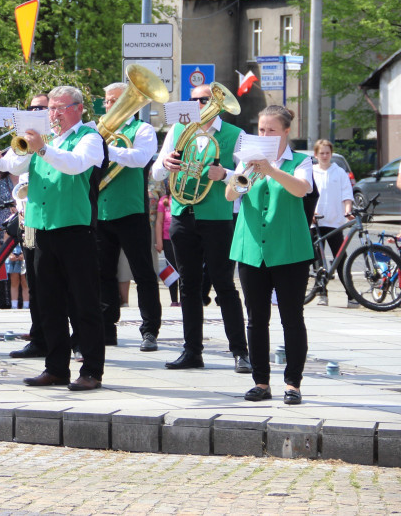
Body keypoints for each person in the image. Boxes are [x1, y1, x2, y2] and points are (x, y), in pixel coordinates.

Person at [0, 86, 106, 391]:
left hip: (74, 228)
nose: (53, 115)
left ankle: (92, 371)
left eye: (59, 108)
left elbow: (74, 165)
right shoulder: (47, 140)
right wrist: (21, 148)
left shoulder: (91, 138)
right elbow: (12, 166)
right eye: (50, 109)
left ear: (78, 109)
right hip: (40, 228)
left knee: (84, 303)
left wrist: (42, 147)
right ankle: (56, 367)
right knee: (49, 302)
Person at [150, 83, 250, 373]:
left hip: (218, 217)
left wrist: (226, 174)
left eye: (204, 100)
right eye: (193, 101)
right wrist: (165, 163)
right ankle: (192, 350)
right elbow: (156, 171)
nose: (198, 105)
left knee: (224, 284)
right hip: (183, 214)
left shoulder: (235, 134)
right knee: (188, 285)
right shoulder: (178, 130)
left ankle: (240, 352)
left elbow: (246, 180)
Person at [227, 106, 312, 405]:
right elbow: (230, 195)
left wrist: (272, 170)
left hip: (289, 251)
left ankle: (293, 383)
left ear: (286, 132)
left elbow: (301, 189)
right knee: (256, 318)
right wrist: (246, 171)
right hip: (252, 250)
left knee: (291, 317)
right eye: (261, 130)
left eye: (271, 130)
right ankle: (261, 382)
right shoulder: (247, 160)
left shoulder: (301, 161)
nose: (264, 135)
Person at [95, 82, 162, 351]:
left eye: (114, 100)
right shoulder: (97, 129)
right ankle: (107, 328)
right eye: (107, 101)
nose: (109, 106)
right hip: (100, 210)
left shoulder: (142, 129)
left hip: (131, 210)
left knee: (143, 272)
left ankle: (150, 330)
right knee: (103, 273)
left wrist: (106, 150)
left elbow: (141, 158)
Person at [0, 93, 50, 359]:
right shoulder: (26, 140)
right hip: (30, 216)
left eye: (42, 107)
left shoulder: (56, 139)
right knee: (36, 280)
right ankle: (39, 335)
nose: (36, 111)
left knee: (56, 283)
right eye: (32, 108)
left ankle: (59, 336)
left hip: (55, 217)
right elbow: (13, 164)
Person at [311, 139, 354, 305]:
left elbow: (347, 195)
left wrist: (347, 210)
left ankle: (351, 295)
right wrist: (311, 211)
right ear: (316, 154)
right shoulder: (312, 172)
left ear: (331, 154)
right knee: (318, 261)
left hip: (334, 222)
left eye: (327, 153)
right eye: (321, 153)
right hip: (316, 222)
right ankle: (322, 293)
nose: (324, 156)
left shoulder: (339, 172)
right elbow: (307, 194)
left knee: (341, 258)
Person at [155, 185, 180, 306]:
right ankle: (173, 299)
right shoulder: (164, 201)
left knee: (182, 268)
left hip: (181, 239)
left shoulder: (183, 200)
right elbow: (159, 222)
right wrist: (159, 241)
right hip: (167, 239)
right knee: (171, 269)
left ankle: (184, 298)